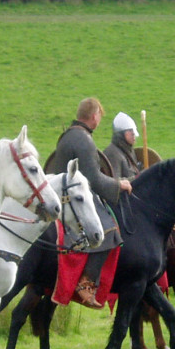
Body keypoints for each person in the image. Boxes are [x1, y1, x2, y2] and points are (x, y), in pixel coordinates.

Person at [45, 97, 130, 308]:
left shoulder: (67, 136)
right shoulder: (84, 139)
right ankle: (86, 284)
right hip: (77, 197)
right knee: (109, 230)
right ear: (95, 116)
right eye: (100, 116)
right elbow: (94, 179)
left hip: (65, 194)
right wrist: (120, 185)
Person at [103, 112, 142, 180]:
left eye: (133, 130)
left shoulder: (128, 150)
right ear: (121, 134)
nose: (133, 134)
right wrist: (137, 178)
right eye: (130, 130)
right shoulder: (112, 153)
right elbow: (114, 183)